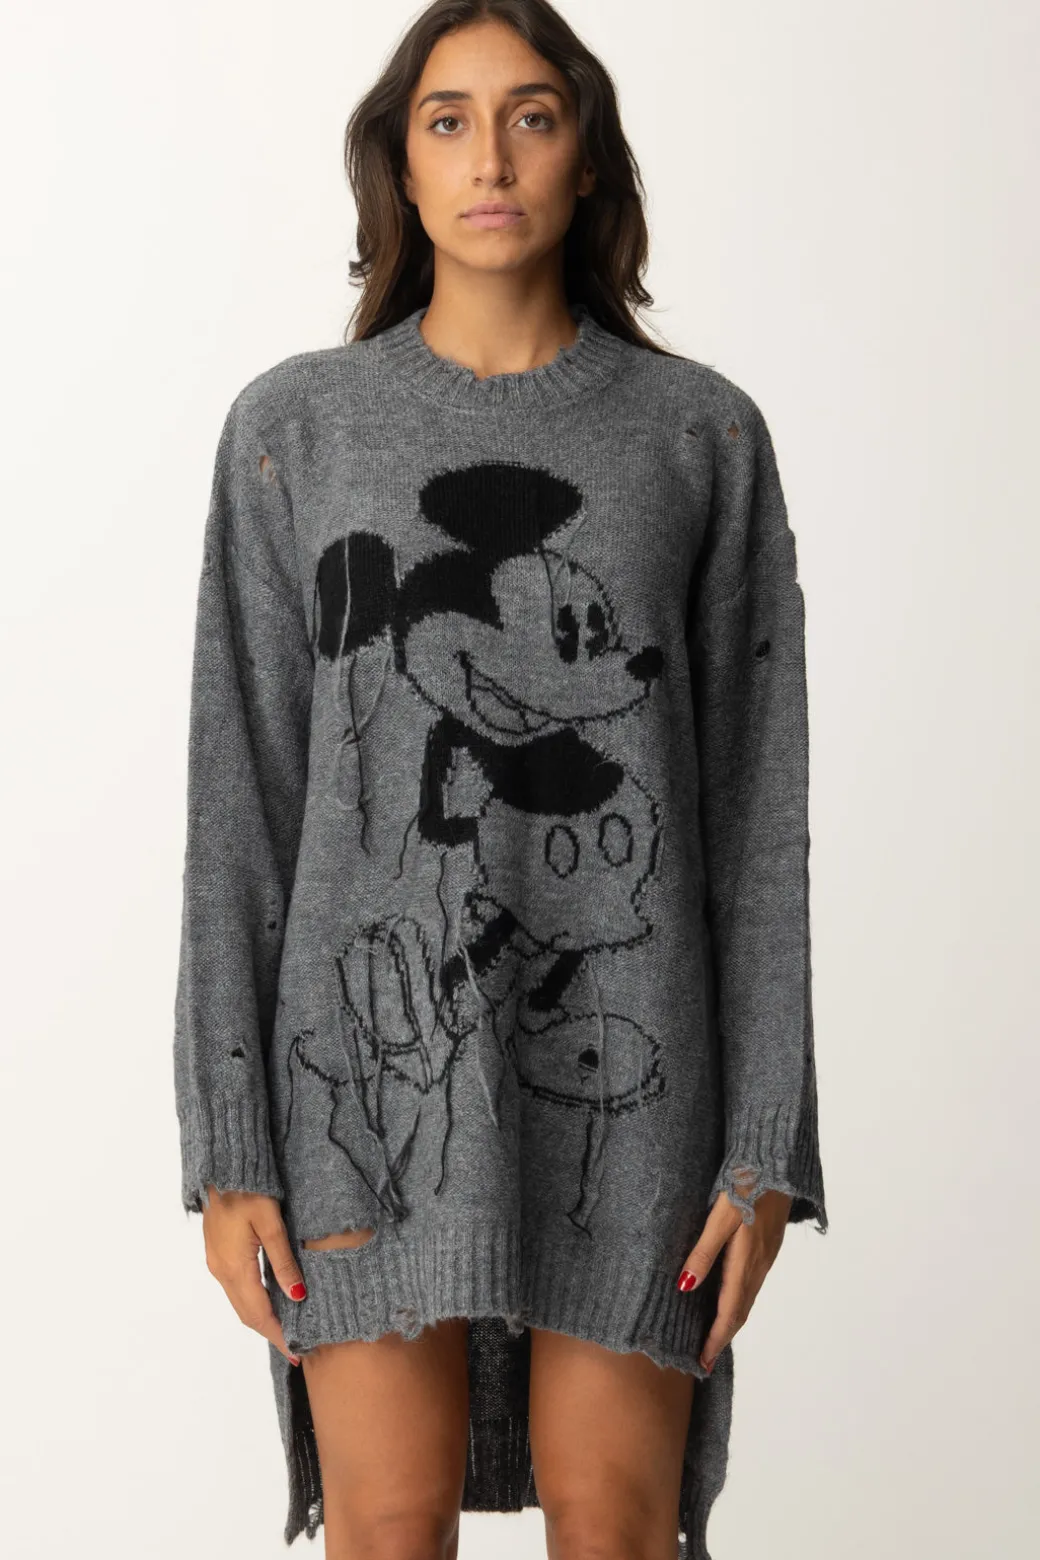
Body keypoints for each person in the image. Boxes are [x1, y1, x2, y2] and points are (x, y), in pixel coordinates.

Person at [173, 3, 828, 1558]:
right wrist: (230, 1140)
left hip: (635, 1074)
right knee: (387, 1525)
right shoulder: (294, 430)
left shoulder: (699, 437)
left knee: (616, 1526)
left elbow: (757, 822)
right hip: (361, 1069)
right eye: (449, 121)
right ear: (398, 167)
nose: (491, 158)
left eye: (532, 117)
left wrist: (766, 1148)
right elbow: (240, 803)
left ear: (586, 157)